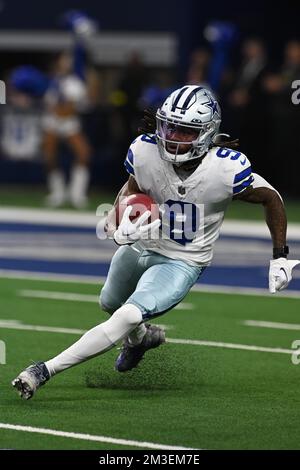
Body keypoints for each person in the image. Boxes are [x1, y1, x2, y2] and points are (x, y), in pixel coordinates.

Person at [12, 85, 299, 400]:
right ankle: (140, 341)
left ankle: (43, 370)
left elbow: (271, 198)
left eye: (185, 131)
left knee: (129, 315)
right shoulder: (145, 151)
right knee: (109, 303)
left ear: (206, 133)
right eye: (168, 126)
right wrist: (116, 218)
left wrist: (280, 256)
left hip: (182, 260)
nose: (173, 136)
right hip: (142, 246)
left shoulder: (226, 169)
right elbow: (133, 186)